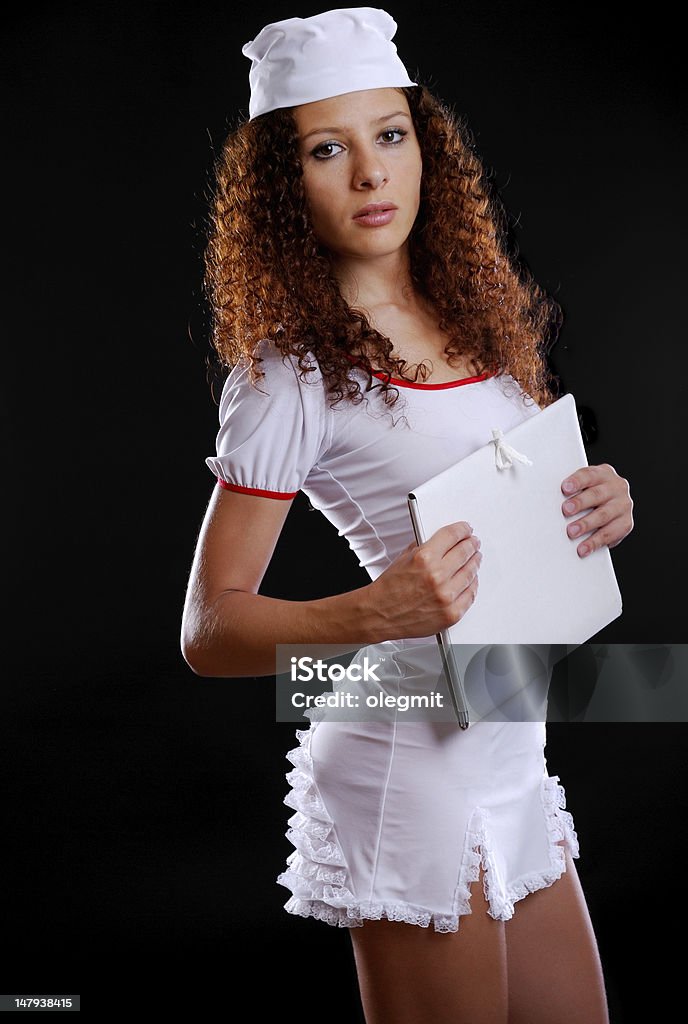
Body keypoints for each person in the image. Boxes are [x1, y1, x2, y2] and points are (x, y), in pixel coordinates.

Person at [180, 8, 634, 1023]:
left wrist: (597, 502)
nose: (370, 174)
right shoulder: (288, 377)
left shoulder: (479, 314)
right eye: (325, 150)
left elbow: (509, 503)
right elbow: (209, 632)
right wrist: (378, 612)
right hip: (405, 765)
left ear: (424, 147)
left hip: (511, 750)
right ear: (281, 188)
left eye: (389, 136)